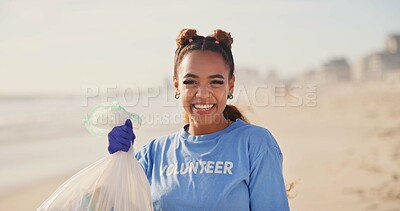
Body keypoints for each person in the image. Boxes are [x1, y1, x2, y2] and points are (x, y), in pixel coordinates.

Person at [107, 28, 290, 211]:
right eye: (190, 82)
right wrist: (119, 162)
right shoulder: (153, 155)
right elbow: (111, 202)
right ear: (177, 85)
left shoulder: (255, 144)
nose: (202, 94)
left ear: (231, 85)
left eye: (216, 82)